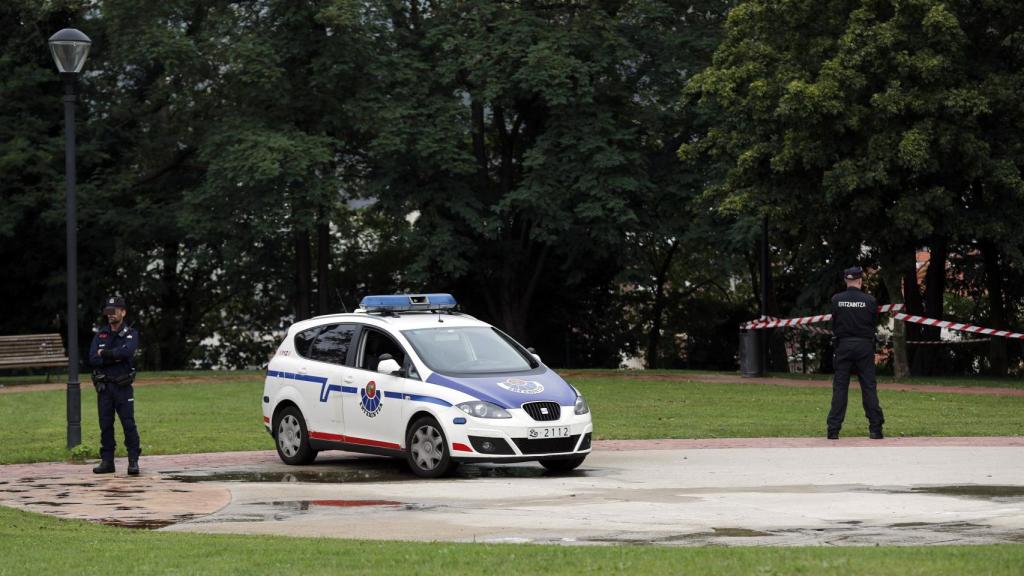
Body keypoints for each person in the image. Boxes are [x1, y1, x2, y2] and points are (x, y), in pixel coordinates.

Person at [827, 266, 885, 440]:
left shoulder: (836, 300)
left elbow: (834, 324)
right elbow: (872, 323)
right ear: (860, 280)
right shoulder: (870, 300)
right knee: (868, 387)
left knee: (840, 388)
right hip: (864, 347)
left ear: (846, 280)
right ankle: (875, 429)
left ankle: (833, 430)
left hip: (843, 346)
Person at [88, 296, 142, 475]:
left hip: (123, 386)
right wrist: (114, 356)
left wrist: (104, 353)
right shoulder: (101, 334)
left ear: (123, 312)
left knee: (128, 423)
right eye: (108, 311)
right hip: (104, 388)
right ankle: (107, 461)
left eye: (115, 310)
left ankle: (133, 461)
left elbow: (127, 352)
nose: (110, 314)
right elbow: (93, 359)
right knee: (105, 425)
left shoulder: (130, 334)